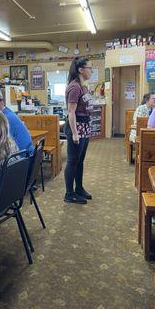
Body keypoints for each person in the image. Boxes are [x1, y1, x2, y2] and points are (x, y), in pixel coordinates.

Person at [64, 57, 93, 204]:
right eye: (89, 67)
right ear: (81, 69)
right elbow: (71, 112)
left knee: (80, 161)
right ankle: (69, 194)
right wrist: (75, 133)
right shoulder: (74, 87)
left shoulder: (84, 86)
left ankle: (79, 188)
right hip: (76, 127)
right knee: (72, 161)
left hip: (85, 126)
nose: (91, 70)